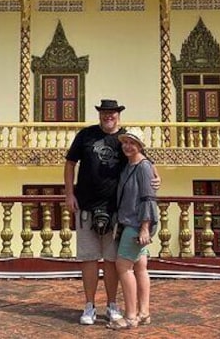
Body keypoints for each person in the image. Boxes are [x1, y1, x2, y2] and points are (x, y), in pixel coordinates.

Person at [64, 99, 159, 326]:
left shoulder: (124, 138)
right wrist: (69, 194)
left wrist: (157, 174)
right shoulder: (86, 135)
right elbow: (70, 163)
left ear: (118, 115)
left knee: (111, 260)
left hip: (116, 211)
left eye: (113, 113)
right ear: (100, 115)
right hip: (86, 205)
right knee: (88, 258)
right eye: (105, 113)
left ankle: (112, 304)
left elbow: (143, 157)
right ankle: (89, 305)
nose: (109, 116)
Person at [107, 127, 158, 330]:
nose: (128, 146)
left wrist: (145, 227)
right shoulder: (130, 165)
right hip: (131, 221)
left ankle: (130, 316)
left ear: (140, 146)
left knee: (123, 266)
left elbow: (148, 198)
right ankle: (144, 312)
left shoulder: (143, 167)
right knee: (140, 267)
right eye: (125, 142)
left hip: (137, 223)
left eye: (132, 143)